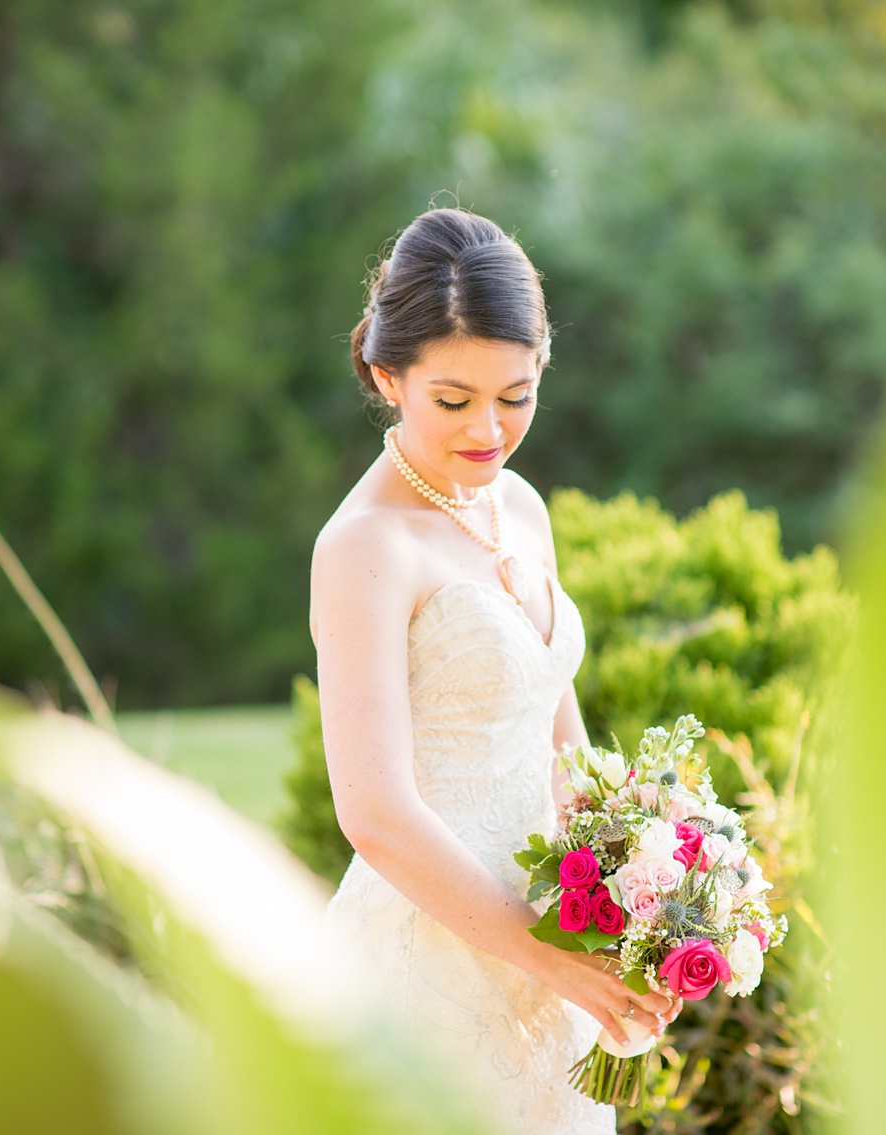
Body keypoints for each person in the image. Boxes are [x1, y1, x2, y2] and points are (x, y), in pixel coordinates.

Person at [310, 207, 678, 1134]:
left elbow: (554, 721)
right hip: (428, 969)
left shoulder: (518, 503)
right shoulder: (365, 547)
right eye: (454, 399)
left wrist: (635, 885)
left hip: (552, 943)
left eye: (516, 394)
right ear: (388, 375)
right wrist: (549, 960)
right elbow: (376, 815)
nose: (490, 429)